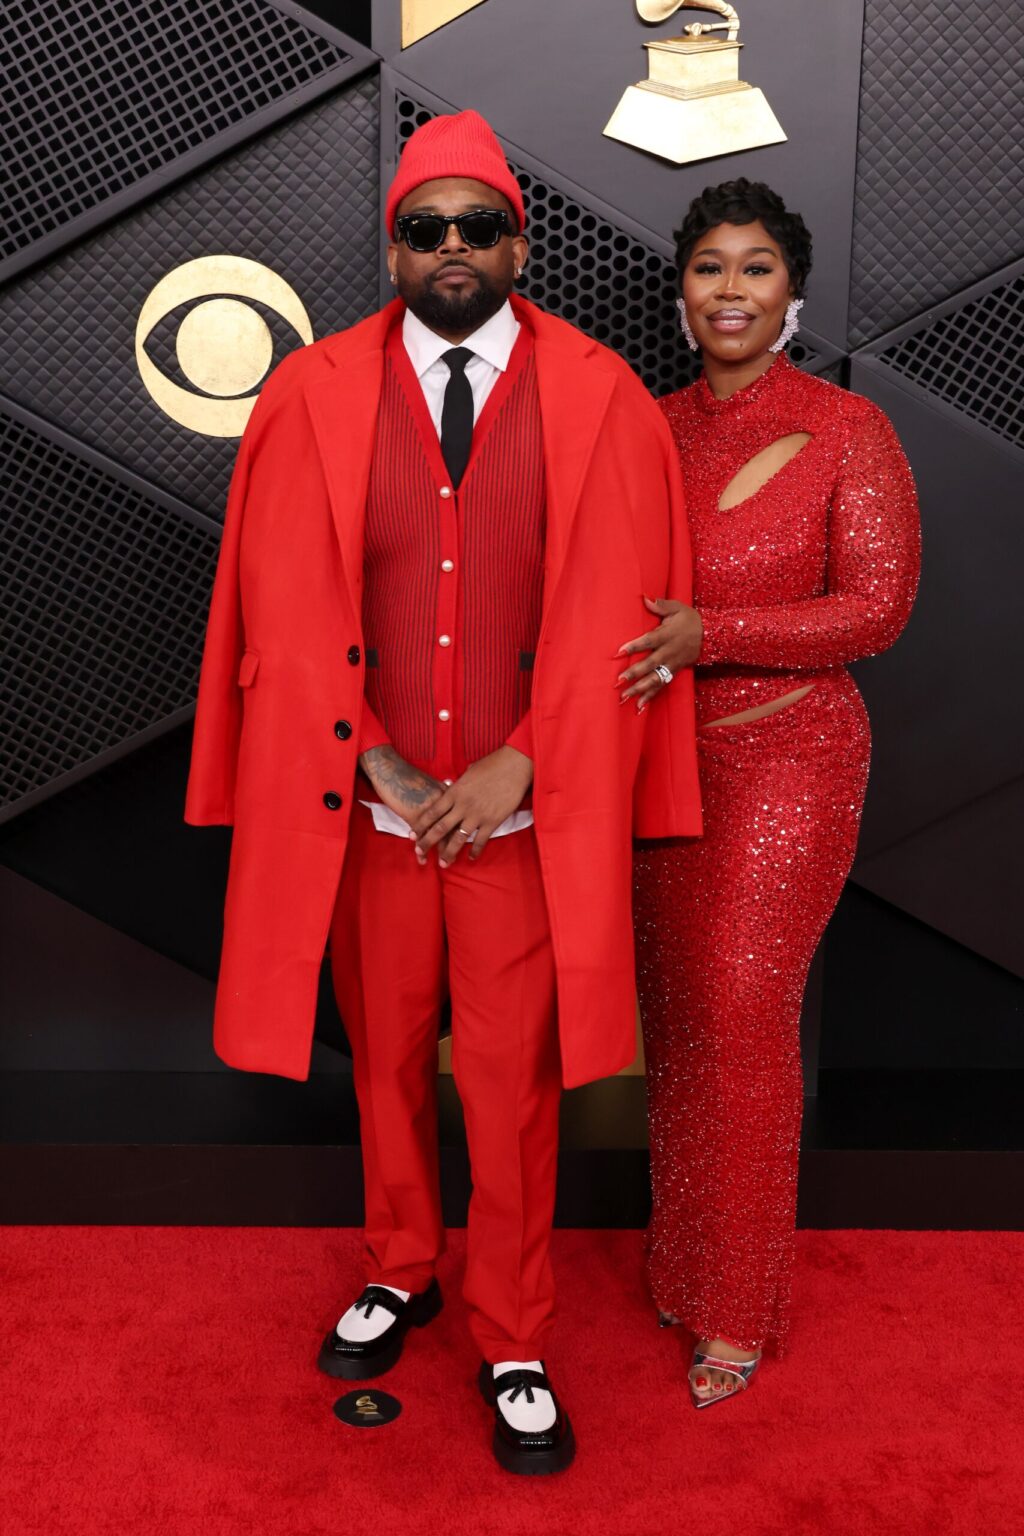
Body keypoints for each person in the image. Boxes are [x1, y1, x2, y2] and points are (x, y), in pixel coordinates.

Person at [184, 109, 700, 1472]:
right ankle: (402, 1259)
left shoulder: (600, 397)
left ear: (519, 241)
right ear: (394, 246)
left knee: (517, 1086)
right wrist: (387, 764)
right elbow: (276, 613)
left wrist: (522, 758)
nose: (454, 248)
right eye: (428, 228)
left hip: (528, 820)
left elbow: (629, 619)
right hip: (369, 815)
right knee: (391, 1058)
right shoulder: (309, 393)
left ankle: (514, 1329)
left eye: (480, 226)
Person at [615, 178, 921, 1408]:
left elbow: (875, 610)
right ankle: (682, 1264)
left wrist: (712, 632)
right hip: (655, 765)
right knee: (681, 1020)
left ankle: (736, 1309)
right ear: (680, 290)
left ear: (791, 293)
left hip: (788, 760)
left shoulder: (850, 429)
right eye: (707, 268)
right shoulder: (643, 426)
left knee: (742, 1018)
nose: (729, 290)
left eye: (754, 268)